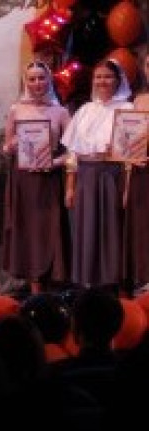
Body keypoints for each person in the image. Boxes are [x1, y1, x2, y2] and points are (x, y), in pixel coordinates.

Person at [61, 59, 132, 292]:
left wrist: (127, 187)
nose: (102, 81)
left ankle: (117, 287)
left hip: (112, 176)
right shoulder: (84, 110)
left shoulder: (127, 110)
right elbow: (72, 153)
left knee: (113, 230)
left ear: (118, 80)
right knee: (87, 230)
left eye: (108, 77)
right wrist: (70, 186)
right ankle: (90, 287)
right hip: (85, 177)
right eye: (98, 77)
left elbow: (131, 155)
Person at [1, 61, 72, 294]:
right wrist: (12, 146)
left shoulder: (60, 111)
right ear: (26, 82)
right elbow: (6, 147)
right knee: (28, 229)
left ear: (49, 80)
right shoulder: (16, 109)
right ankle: (34, 290)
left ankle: (52, 285)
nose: (37, 83)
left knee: (49, 228)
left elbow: (73, 151)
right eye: (32, 79)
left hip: (49, 179)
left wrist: (54, 162)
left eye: (41, 78)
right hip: (23, 179)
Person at [124, 53, 149, 295]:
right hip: (142, 171)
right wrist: (129, 157)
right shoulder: (138, 100)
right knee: (143, 226)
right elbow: (128, 141)